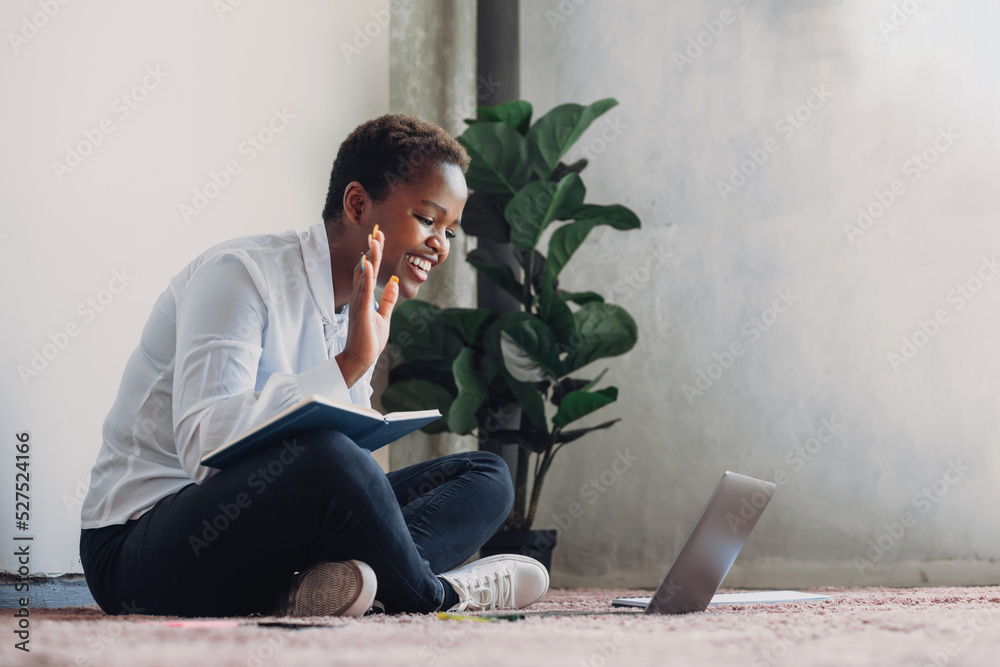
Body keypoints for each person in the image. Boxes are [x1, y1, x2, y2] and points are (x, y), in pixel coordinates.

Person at [79, 114, 549, 618]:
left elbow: (338, 466)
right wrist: (349, 365)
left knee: (485, 474)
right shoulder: (239, 275)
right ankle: (442, 595)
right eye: (428, 219)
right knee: (327, 459)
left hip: (266, 539)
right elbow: (205, 446)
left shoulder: (362, 309)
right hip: (138, 548)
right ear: (356, 204)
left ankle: (320, 588)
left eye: (450, 232)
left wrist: (352, 376)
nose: (440, 245)